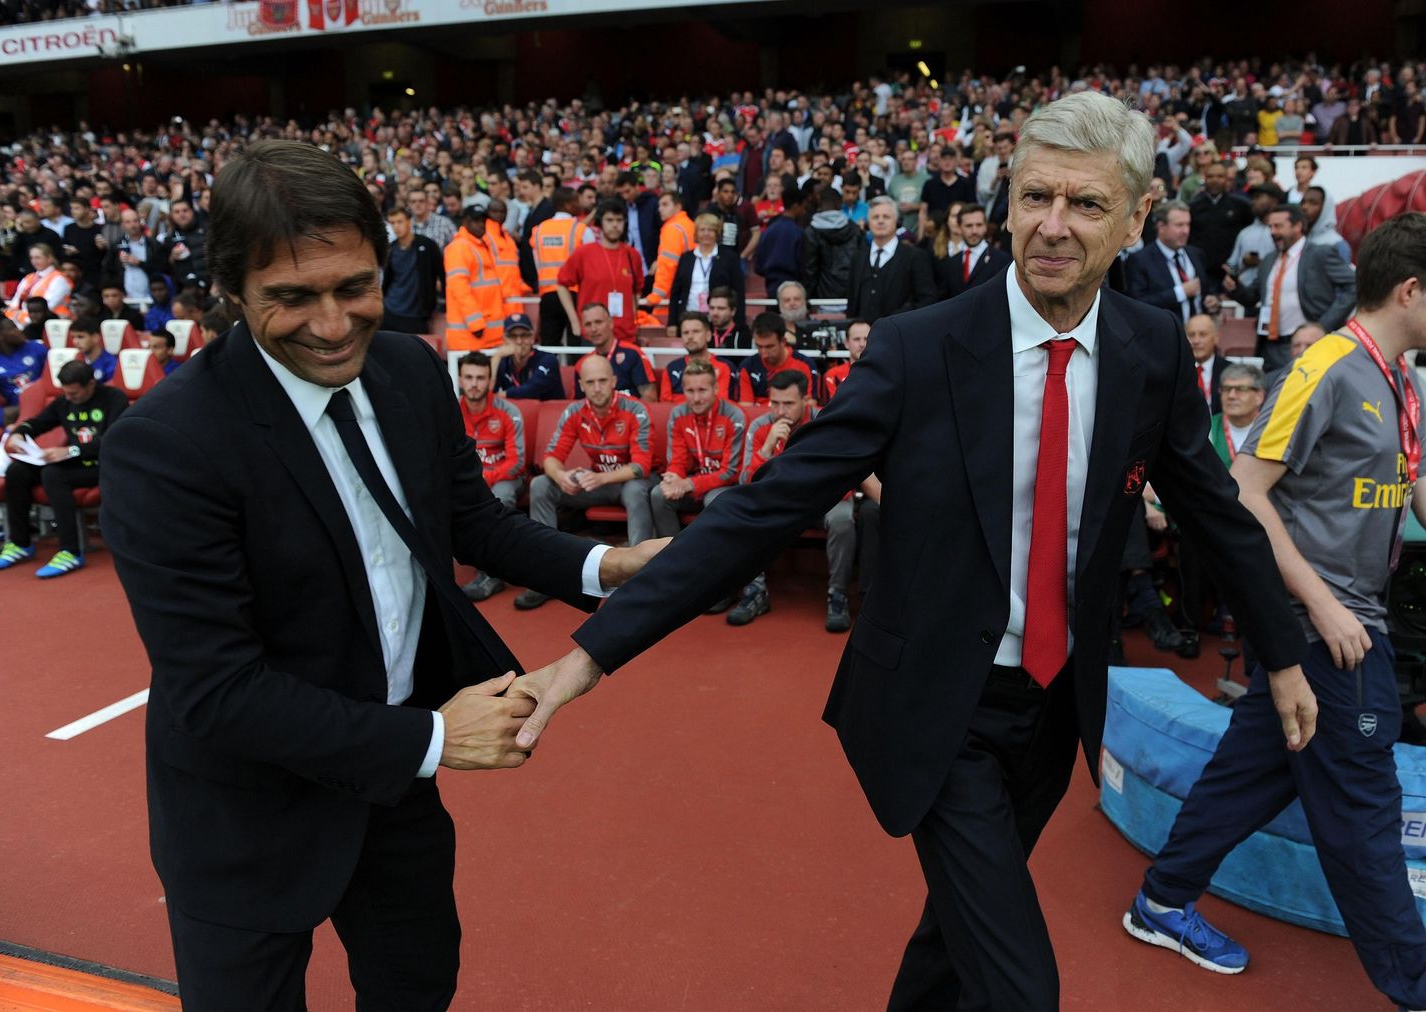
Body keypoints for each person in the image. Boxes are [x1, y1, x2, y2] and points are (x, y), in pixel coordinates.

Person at [505, 91, 1312, 1011]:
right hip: (936, 702)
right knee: (1019, 987)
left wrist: (1282, 654)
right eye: (1035, 196)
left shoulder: (1153, 346)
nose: (1052, 227)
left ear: (1134, 220)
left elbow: (1214, 510)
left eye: (1086, 205)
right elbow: (768, 506)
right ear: (1005, 203)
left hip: (1055, 708)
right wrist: (591, 654)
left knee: (955, 937)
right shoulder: (917, 348)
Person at [95, 140, 660, 1009]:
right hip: (246, 817)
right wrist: (433, 741)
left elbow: (468, 521)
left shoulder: (406, 369)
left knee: (417, 989)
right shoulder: (165, 446)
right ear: (232, 290)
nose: (332, 324)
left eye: (353, 287)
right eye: (291, 298)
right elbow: (216, 689)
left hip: (392, 801)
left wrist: (608, 562)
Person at [1125, 212, 1426, 1011]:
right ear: (1411, 290)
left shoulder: (1403, 379)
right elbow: (1246, 497)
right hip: (1329, 626)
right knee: (1365, 807)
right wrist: (1323, 607)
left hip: (1351, 618)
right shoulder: (1327, 367)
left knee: (1256, 771)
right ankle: (1416, 981)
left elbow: (1414, 493)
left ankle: (1160, 900)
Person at [722, 369, 859, 632]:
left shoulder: (825, 423)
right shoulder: (762, 426)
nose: (780, 411)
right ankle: (756, 591)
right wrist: (766, 449)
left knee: (842, 518)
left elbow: (842, 480)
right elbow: (747, 484)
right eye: (775, 403)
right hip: (781, 502)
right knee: (747, 512)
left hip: (823, 500)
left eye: (788, 404)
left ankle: (838, 594)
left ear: (806, 401)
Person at [519, 354, 656, 610]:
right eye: (590, 382)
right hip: (597, 483)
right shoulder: (574, 411)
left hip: (628, 483)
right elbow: (551, 457)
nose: (597, 388)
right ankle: (545, 574)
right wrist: (561, 475)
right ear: (581, 385)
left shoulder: (635, 409)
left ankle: (638, 577)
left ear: (614, 380)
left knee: (637, 490)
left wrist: (601, 477)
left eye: (603, 380)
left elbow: (641, 467)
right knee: (541, 484)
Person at [0, 358, 127, 578]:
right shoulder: (64, 402)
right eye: (66, 393)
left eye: (74, 393)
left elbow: (113, 440)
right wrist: (18, 433)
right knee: (17, 472)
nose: (69, 398)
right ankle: (20, 543)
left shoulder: (113, 398)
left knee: (53, 474)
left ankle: (70, 551)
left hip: (104, 465)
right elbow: (38, 422)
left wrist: (70, 451)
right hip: (74, 462)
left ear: (90, 384)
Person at [1225, 204, 1357, 374]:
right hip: (1272, 347)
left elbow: (1354, 286)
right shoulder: (1268, 260)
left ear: (1297, 227)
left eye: (1278, 226)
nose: (1272, 232)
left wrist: (1324, 325)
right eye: (1270, 227)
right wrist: (1235, 287)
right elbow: (1252, 297)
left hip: (1309, 344)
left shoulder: (1320, 254)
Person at [456, 351, 527, 603]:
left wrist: (486, 478)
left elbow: (516, 461)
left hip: (505, 479)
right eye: (469, 377)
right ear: (460, 379)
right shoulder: (449, 411)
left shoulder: (508, 410)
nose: (474, 383)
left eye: (480, 377)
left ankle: (491, 575)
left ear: (489, 380)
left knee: (499, 497)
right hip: (466, 480)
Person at [651, 359, 748, 539]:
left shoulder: (734, 416)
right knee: (659, 494)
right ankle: (671, 554)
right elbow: (677, 460)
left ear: (715, 389)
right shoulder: (678, 414)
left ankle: (712, 559)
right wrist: (673, 478)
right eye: (690, 391)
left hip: (724, 486)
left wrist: (689, 484)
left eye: (702, 390)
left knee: (713, 499)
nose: (696, 398)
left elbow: (730, 473)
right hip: (691, 484)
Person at [557, 198, 643, 346]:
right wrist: (575, 322)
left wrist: (631, 319)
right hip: (593, 335)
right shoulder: (584, 253)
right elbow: (561, 284)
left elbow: (636, 291)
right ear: (600, 223)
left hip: (625, 335)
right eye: (609, 220)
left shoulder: (632, 255)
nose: (615, 225)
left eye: (619, 220)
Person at [845, 197, 935, 323]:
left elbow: (926, 301)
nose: (880, 221)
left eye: (886, 217)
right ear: (868, 222)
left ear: (896, 221)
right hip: (863, 337)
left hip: (901, 333)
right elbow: (852, 301)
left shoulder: (915, 256)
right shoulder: (858, 257)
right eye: (875, 217)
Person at [1123, 201, 1208, 324]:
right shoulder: (1140, 260)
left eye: (1188, 224)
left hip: (1198, 334)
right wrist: (1180, 293)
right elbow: (1137, 304)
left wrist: (1211, 300)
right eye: (1179, 225)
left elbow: (1205, 289)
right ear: (1161, 226)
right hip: (1164, 334)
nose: (1186, 231)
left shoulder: (1195, 254)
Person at [531, 187, 595, 345]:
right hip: (575, 295)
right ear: (567, 204)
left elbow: (537, 263)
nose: (579, 203)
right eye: (576, 200)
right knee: (577, 347)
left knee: (548, 348)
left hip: (548, 295)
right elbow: (592, 265)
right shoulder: (581, 230)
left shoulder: (539, 230)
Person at [667, 213, 746, 333]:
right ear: (696, 233)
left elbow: (738, 291)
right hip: (689, 317)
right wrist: (672, 322)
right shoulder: (686, 258)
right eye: (702, 230)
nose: (706, 234)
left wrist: (739, 323)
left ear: (717, 233)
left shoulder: (729, 258)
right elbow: (675, 293)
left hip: (718, 320)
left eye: (710, 230)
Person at [444, 206, 506, 352]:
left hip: (487, 335)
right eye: (476, 220)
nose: (481, 224)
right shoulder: (459, 247)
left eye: (483, 220)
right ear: (465, 222)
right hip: (470, 335)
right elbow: (459, 289)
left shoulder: (480, 246)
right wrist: (475, 323)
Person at [1188, 162, 1252, 292]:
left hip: (1231, 271)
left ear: (1227, 179)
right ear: (1205, 178)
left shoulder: (1241, 205)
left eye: (1220, 176)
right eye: (1211, 176)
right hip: (1200, 272)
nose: (1215, 180)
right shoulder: (1193, 207)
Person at [381, 206, 444, 335]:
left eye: (400, 221)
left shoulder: (427, 245)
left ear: (409, 221)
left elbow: (442, 274)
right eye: (392, 223)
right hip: (391, 309)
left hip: (417, 312)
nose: (396, 226)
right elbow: (387, 279)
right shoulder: (390, 249)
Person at [574, 302, 657, 401]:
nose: (593, 329)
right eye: (588, 324)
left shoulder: (633, 354)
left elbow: (650, 398)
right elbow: (578, 404)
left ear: (610, 323)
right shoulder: (582, 365)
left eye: (598, 322)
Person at [735, 312, 817, 405]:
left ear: (783, 341)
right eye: (759, 346)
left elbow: (810, 406)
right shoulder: (747, 367)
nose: (764, 354)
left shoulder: (805, 364)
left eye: (769, 347)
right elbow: (746, 407)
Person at [802, 187, 865, 302]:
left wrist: (809, 297)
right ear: (840, 204)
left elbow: (809, 270)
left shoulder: (811, 232)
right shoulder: (855, 229)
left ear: (819, 204)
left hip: (823, 297)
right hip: (852, 293)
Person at [936, 203, 1010, 300]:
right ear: (960, 228)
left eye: (979, 225)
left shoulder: (1003, 260)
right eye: (969, 226)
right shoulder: (951, 262)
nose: (974, 231)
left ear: (985, 227)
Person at [659, 311, 733, 404]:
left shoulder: (724, 367)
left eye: (696, 332)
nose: (690, 336)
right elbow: (665, 407)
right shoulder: (671, 368)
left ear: (708, 336)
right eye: (686, 333)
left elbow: (720, 405)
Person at [0, 314, 47, 427]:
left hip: (43, 400)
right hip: (17, 407)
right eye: (13, 328)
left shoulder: (36, 347)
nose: (19, 331)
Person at [1225, 183, 1283, 293]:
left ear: (1274, 200)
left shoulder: (1284, 231)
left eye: (1258, 197)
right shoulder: (1245, 233)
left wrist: (1261, 263)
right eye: (1252, 198)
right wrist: (1244, 263)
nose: (1253, 202)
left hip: (1275, 293)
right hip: (1246, 295)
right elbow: (1231, 266)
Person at [493, 313, 566, 400]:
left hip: (548, 412)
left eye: (524, 335)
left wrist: (504, 394)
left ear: (532, 337)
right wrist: (496, 358)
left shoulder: (548, 360)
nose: (519, 341)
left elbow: (531, 389)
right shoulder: (503, 362)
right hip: (514, 412)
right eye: (513, 336)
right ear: (505, 339)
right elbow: (488, 390)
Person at [645, 189, 695, 312]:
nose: (660, 209)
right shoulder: (689, 225)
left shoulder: (672, 229)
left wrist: (656, 296)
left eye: (665, 204)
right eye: (659, 205)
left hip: (673, 295)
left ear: (677, 207)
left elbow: (668, 265)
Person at [752, 187, 807, 300]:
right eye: (803, 207)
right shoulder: (799, 233)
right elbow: (803, 266)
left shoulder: (768, 230)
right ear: (796, 206)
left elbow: (758, 266)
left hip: (772, 288)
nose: (804, 211)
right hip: (794, 289)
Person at [6, 244, 71, 325]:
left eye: (38, 257)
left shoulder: (60, 279)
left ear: (50, 258)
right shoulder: (28, 277)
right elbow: (15, 301)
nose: (34, 261)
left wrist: (21, 316)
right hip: (20, 319)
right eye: (32, 258)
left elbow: (49, 306)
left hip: (49, 322)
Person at [1184, 313, 1230, 415]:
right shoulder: (1175, 371)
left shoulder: (1230, 370)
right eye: (1191, 335)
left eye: (1203, 334)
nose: (1196, 341)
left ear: (1216, 337)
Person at [164, 199, 210, 291]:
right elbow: (165, 268)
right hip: (186, 292)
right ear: (171, 215)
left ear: (192, 211)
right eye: (177, 212)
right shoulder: (168, 239)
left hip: (211, 287)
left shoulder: (207, 231)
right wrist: (171, 258)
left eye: (185, 210)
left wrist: (217, 283)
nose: (181, 214)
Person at [822, 318, 869, 404]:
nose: (862, 344)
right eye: (857, 339)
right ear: (846, 343)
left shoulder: (883, 372)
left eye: (866, 339)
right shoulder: (832, 375)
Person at [920, 146, 976, 217]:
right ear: (939, 162)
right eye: (944, 159)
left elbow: (971, 208)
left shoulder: (966, 184)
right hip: (935, 225)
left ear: (956, 162)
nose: (947, 162)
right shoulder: (929, 184)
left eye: (951, 159)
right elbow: (923, 210)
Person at [887, 148, 931, 235]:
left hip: (920, 228)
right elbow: (889, 202)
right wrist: (897, 206)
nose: (905, 162)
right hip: (898, 228)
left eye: (909, 159)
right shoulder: (894, 180)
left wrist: (916, 207)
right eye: (903, 159)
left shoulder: (927, 179)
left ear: (916, 161)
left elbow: (934, 204)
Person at [69, 314, 116, 384]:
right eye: (73, 337)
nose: (75, 342)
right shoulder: (75, 359)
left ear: (95, 337)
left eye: (80, 337)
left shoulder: (111, 363)